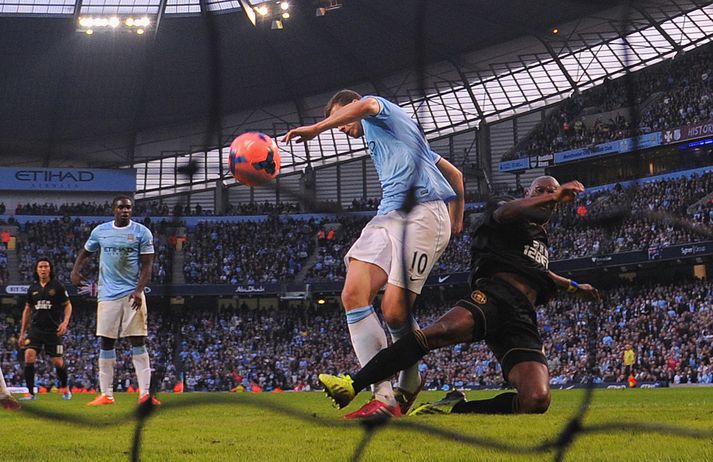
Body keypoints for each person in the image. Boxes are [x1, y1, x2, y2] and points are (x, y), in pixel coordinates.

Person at [319, 176, 601, 415]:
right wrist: (553, 196)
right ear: (527, 195)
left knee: (537, 400)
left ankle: (452, 407)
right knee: (434, 334)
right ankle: (354, 384)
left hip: (522, 318)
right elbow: (508, 213)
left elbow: (543, 274)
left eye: (551, 190)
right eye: (539, 190)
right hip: (493, 298)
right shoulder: (506, 209)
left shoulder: (540, 240)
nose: (546, 195)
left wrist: (577, 288)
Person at [283, 89, 464, 419]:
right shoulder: (394, 138)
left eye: (342, 117)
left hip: (423, 212)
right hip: (388, 215)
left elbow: (365, 105)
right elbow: (456, 174)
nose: (341, 127)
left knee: (393, 311)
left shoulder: (378, 110)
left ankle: (410, 379)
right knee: (353, 293)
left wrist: (316, 129)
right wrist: (460, 216)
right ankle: (383, 397)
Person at [71, 195, 159, 406]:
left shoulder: (141, 232)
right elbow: (86, 251)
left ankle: (145, 394)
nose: (125, 210)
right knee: (106, 341)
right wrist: (75, 270)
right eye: (121, 207)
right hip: (107, 295)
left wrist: (139, 290)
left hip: (132, 294)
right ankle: (106, 394)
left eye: (128, 207)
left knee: (138, 340)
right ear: (114, 209)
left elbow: (147, 264)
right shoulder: (100, 231)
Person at [18, 258, 73, 400]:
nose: (43, 269)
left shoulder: (58, 287)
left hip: (53, 330)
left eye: (46, 266)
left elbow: (67, 305)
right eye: (40, 266)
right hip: (35, 329)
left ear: (50, 269)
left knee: (58, 362)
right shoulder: (33, 288)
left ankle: (65, 388)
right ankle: (30, 393)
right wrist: (22, 332)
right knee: (29, 355)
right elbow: (27, 310)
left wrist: (65, 322)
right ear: (37, 270)